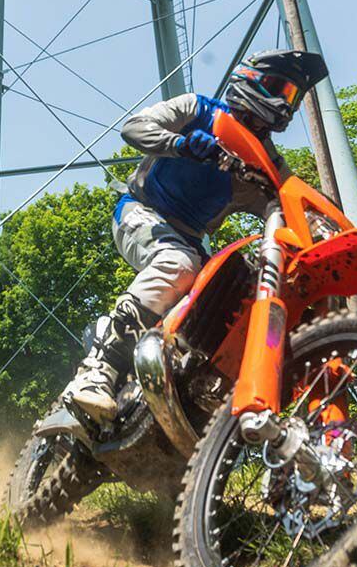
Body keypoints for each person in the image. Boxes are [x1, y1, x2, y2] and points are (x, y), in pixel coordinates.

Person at [65, 48, 329, 420]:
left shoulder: (269, 164)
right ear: (250, 79)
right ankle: (97, 370)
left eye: (293, 97)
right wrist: (181, 144)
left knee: (232, 302)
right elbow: (134, 127)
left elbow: (298, 211)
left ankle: (185, 398)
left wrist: (348, 265)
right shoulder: (198, 109)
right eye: (279, 88)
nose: (285, 104)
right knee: (178, 263)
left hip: (191, 240)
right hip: (142, 212)